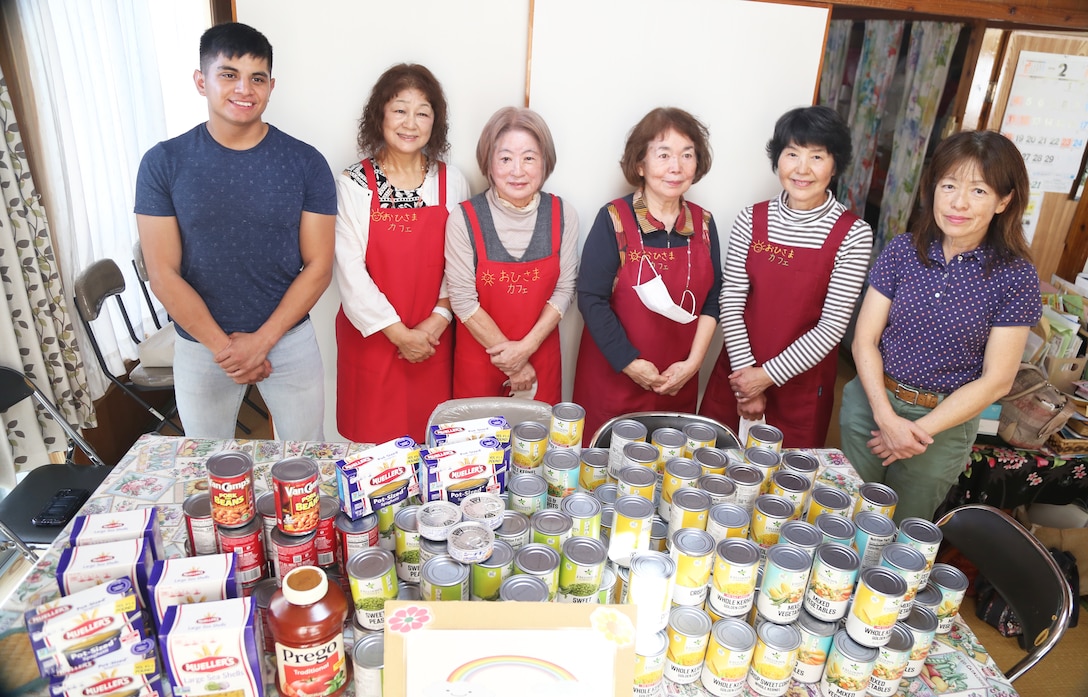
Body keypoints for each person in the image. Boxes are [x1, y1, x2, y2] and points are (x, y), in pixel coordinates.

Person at [135, 22, 336, 440]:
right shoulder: (163, 163)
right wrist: (227, 350)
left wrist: (262, 341)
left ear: (270, 85)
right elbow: (162, 273)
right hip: (200, 344)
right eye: (229, 74)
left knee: (307, 460)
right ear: (200, 80)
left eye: (256, 78)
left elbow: (318, 266)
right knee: (210, 467)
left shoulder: (306, 162)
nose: (244, 89)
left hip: (287, 338)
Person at [839, 130, 1041, 523]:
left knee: (903, 532)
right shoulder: (902, 250)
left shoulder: (1015, 276)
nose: (958, 202)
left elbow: (997, 380)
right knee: (846, 515)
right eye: (948, 185)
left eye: (979, 191)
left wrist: (913, 434)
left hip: (942, 425)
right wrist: (885, 417)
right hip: (871, 403)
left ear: (1004, 200)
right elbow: (865, 339)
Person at [700, 106, 873, 447]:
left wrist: (763, 378)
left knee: (782, 491)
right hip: (736, 373)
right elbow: (731, 300)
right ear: (777, 159)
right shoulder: (751, 219)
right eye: (792, 154)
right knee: (711, 475)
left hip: (801, 389)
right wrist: (746, 383)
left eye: (817, 156)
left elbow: (831, 328)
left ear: (835, 164)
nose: (802, 169)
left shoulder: (853, 234)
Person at [334, 64, 469, 444]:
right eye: (399, 109)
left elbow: (460, 262)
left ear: (435, 122)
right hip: (375, 340)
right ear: (380, 114)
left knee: (434, 445)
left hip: (433, 340)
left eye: (422, 112)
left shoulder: (450, 181)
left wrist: (436, 321)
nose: (410, 123)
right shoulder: (353, 183)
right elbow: (349, 271)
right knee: (374, 453)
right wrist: (399, 335)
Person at [573, 107, 721, 439]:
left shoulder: (705, 224)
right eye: (663, 154)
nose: (676, 167)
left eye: (687, 155)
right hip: (615, 381)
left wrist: (693, 363)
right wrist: (630, 363)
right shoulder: (614, 219)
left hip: (676, 381)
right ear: (640, 164)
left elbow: (713, 301)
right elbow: (591, 298)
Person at [445, 107, 578, 404]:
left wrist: (524, 350)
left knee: (537, 449)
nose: (517, 170)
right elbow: (463, 299)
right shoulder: (464, 218)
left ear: (545, 162)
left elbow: (565, 288)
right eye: (505, 158)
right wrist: (514, 361)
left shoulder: (563, 215)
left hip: (539, 358)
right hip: (479, 362)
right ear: (489, 164)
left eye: (529, 158)